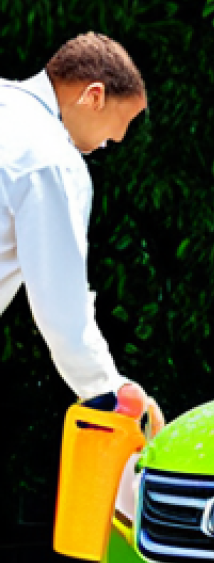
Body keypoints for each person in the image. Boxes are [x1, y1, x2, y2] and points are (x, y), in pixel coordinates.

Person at [0, 32, 162, 430]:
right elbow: (62, 309)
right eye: (116, 126)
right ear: (93, 96)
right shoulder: (52, 158)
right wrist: (107, 391)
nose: (110, 143)